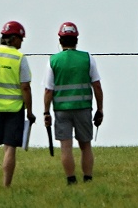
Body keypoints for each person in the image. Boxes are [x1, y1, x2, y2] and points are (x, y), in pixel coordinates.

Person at [43, 22, 104, 185]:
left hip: (61, 110)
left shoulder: (53, 61)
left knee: (66, 146)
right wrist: (100, 109)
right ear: (76, 40)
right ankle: (88, 178)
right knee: (85, 145)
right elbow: (97, 86)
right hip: (83, 108)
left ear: (60, 40)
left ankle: (71, 179)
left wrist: (46, 112)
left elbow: (48, 90)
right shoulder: (87, 58)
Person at [0, 21, 36, 189]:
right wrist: (29, 111)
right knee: (10, 148)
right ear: (14, 38)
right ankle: (6, 186)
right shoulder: (19, 58)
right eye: (21, 39)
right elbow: (25, 87)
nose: (22, 42)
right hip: (14, 109)